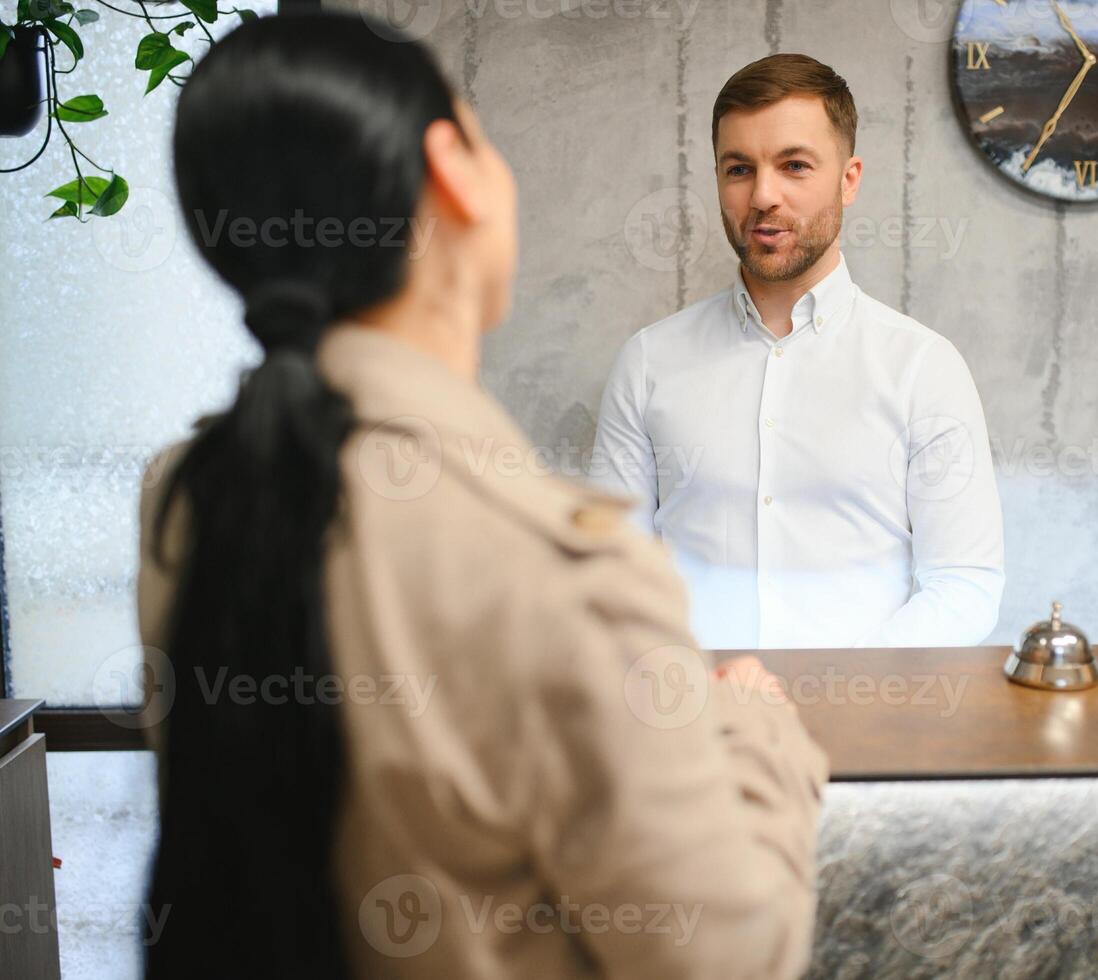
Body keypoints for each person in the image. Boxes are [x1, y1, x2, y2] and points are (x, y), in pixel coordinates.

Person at [134, 12, 827, 979]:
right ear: (453, 170)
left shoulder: (187, 498)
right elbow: (729, 957)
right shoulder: (556, 565)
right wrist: (755, 727)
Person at [590, 54, 1005, 651]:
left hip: (866, 728)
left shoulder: (923, 369)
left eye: (795, 166)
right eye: (739, 168)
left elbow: (964, 585)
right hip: (691, 723)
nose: (763, 195)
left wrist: (846, 697)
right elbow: (612, 574)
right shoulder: (649, 362)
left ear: (849, 178)